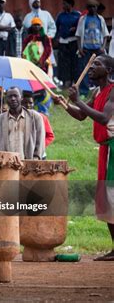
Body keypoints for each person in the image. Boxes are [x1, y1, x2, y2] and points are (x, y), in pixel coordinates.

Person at [55, 55, 114, 260]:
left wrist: (78, 100)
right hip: (105, 150)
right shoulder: (97, 92)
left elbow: (104, 118)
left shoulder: (113, 91)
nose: (91, 67)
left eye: (96, 64)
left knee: (112, 196)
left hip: (113, 149)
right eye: (91, 64)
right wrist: (65, 103)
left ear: (108, 70)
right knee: (106, 199)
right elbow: (82, 115)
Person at [0, 87, 45, 159]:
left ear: (21, 97)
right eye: (10, 96)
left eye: (15, 96)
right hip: (6, 166)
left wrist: (35, 159)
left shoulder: (35, 118)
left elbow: (40, 143)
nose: (13, 99)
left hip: (28, 165)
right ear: (6, 99)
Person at [75, 0, 109, 95]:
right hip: (86, 49)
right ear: (87, 8)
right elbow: (78, 35)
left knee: (100, 69)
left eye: (94, 7)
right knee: (84, 70)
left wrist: (103, 47)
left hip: (98, 49)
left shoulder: (100, 19)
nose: (92, 9)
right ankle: (83, 91)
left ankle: (100, 90)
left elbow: (105, 35)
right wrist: (80, 48)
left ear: (97, 8)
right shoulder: (83, 19)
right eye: (90, 7)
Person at [55, 0, 81, 88]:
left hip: (73, 41)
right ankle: (67, 81)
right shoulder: (60, 16)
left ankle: (75, 81)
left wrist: (75, 28)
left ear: (70, 5)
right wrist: (57, 37)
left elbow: (81, 26)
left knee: (74, 62)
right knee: (64, 63)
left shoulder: (77, 15)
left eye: (65, 4)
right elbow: (57, 27)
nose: (63, 6)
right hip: (63, 42)